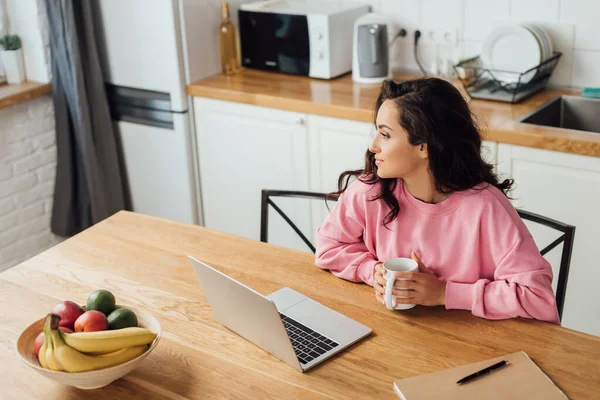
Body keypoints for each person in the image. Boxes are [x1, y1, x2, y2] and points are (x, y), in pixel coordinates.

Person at [315, 78, 560, 325]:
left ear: (424, 146)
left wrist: (445, 293)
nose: (373, 146)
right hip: (392, 335)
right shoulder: (370, 192)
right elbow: (328, 248)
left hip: (472, 344)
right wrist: (372, 272)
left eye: (385, 134)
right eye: (376, 131)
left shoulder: (486, 208)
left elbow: (538, 297)